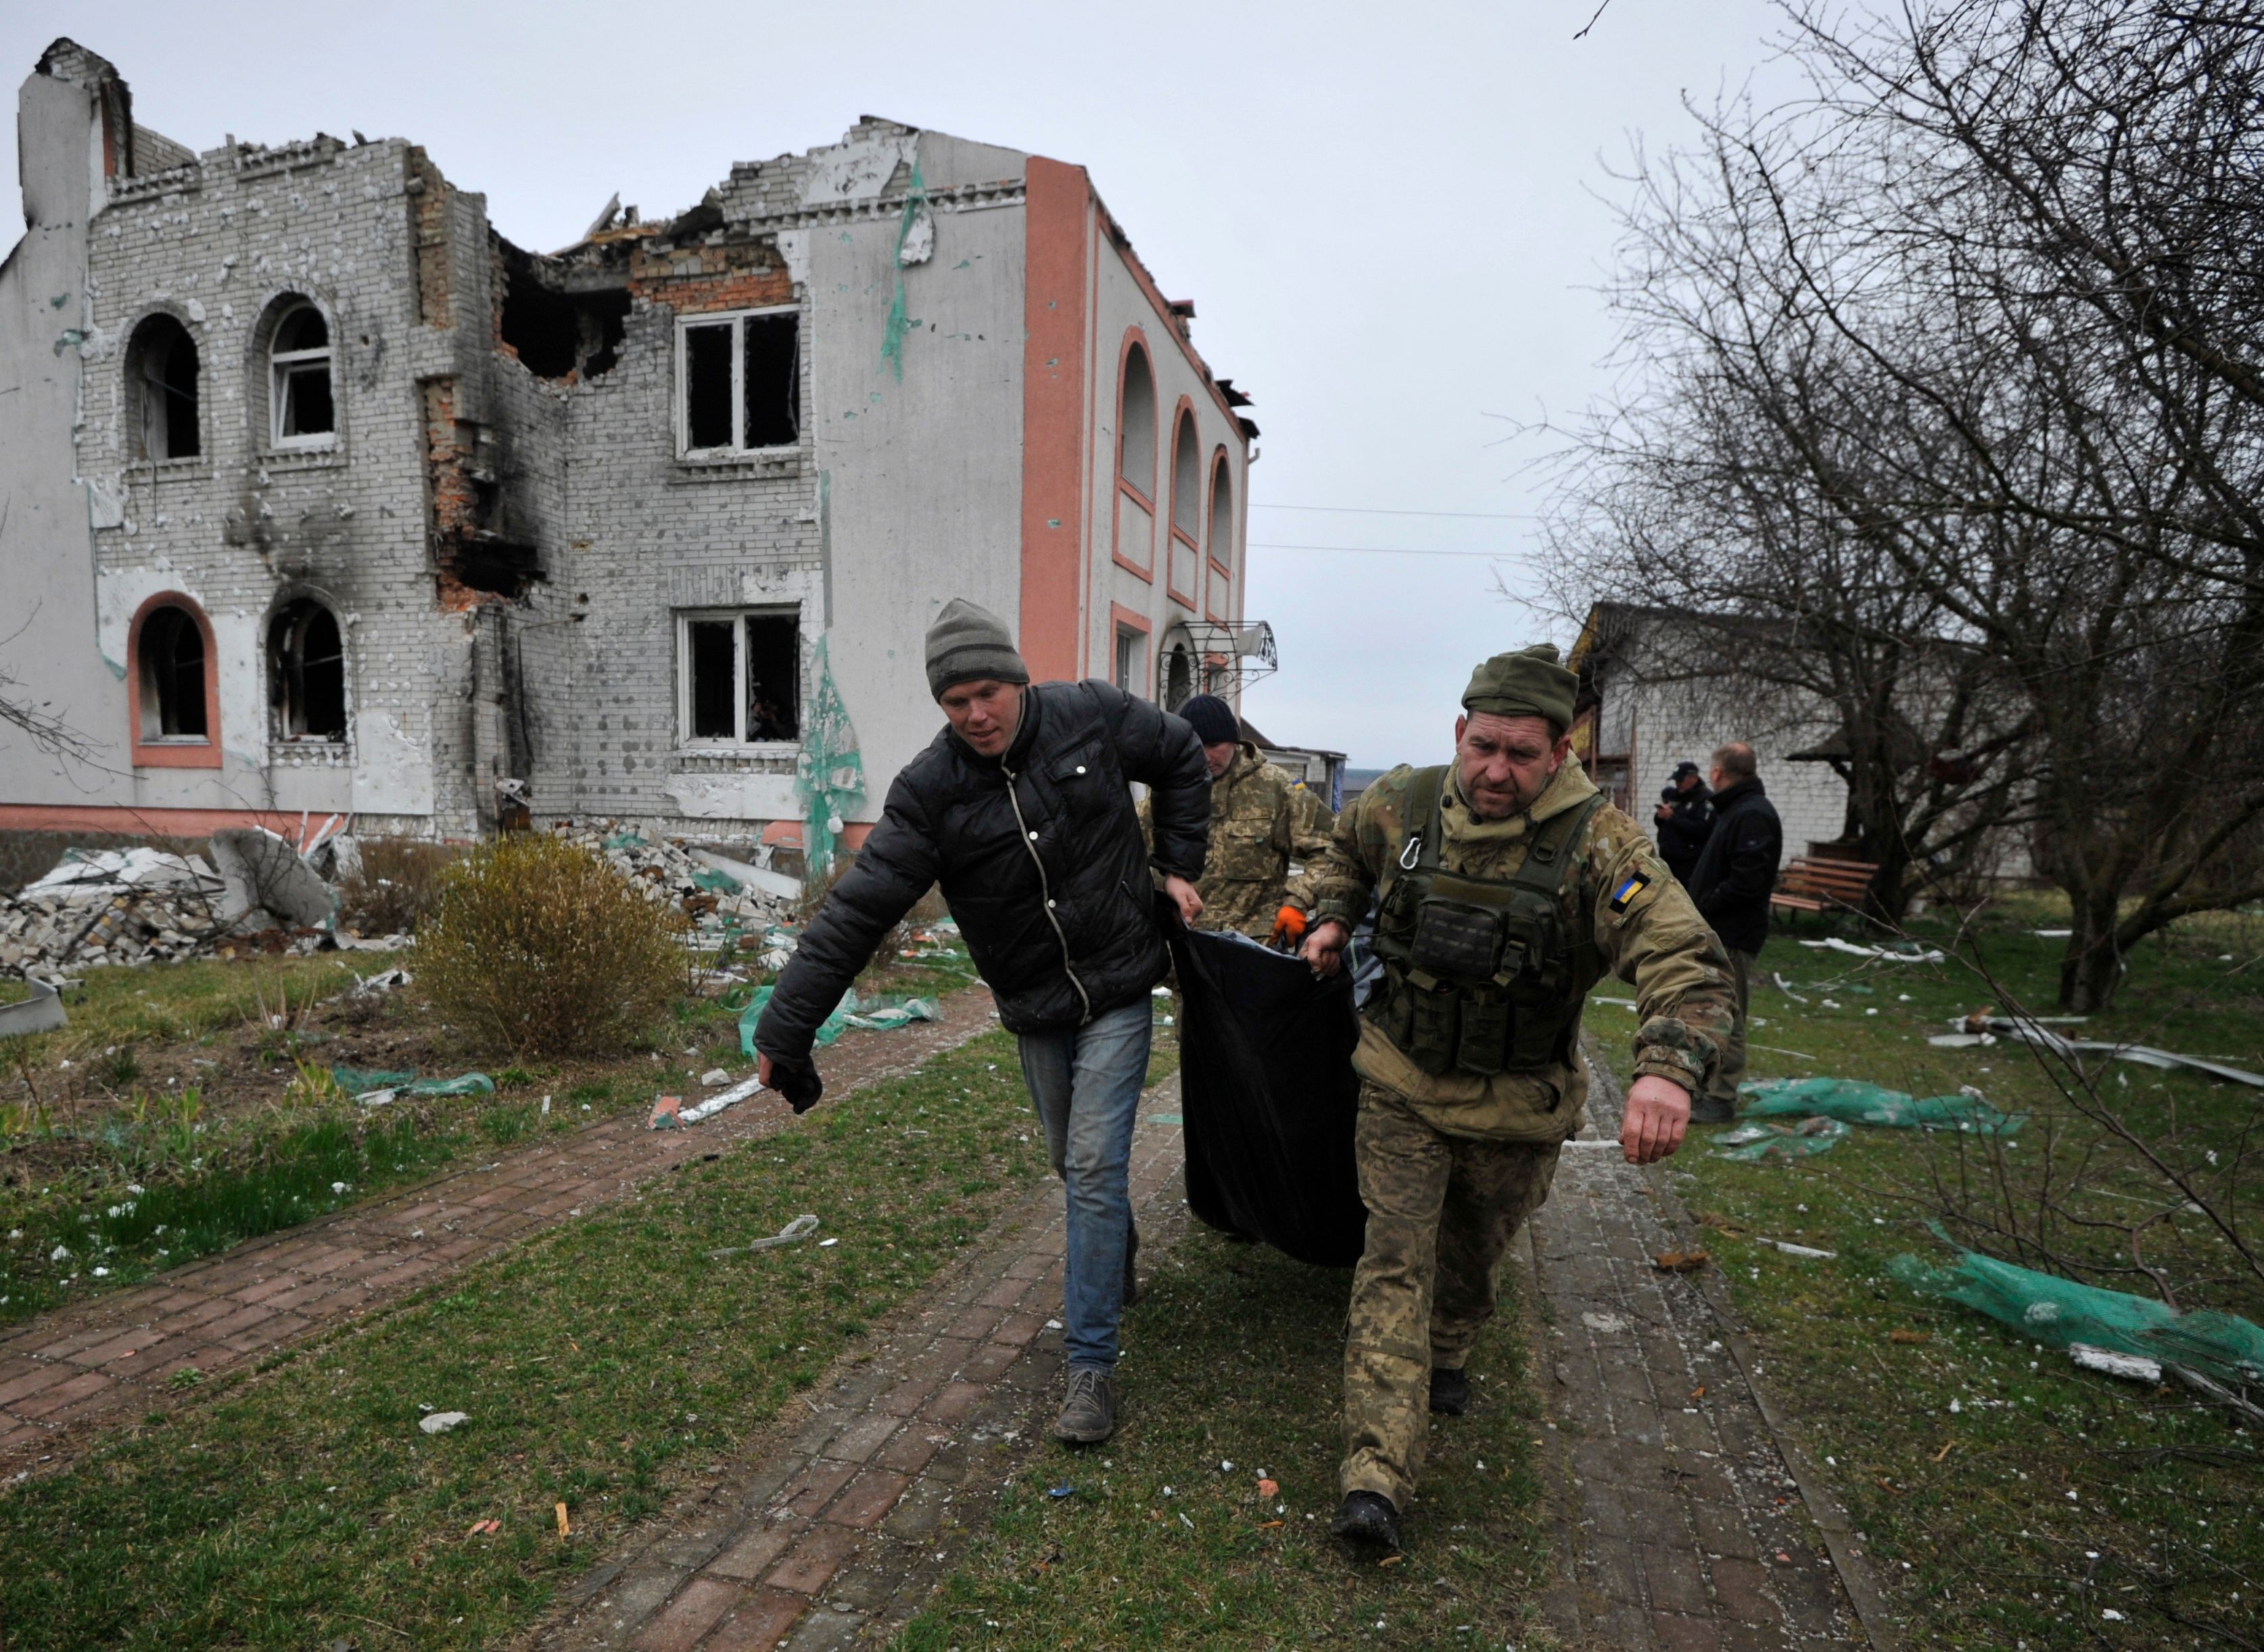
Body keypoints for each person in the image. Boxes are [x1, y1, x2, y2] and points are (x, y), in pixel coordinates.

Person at [1299, 644, 1737, 1553]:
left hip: (1517, 1107)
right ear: (1460, 732)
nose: (1498, 770)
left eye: (1522, 754)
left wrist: (1666, 1064)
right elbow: (1343, 850)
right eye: (1484, 746)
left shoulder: (1600, 846)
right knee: (1393, 1261)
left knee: (1471, 1254)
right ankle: (1375, 1472)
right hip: (1401, 1085)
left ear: (1559, 749)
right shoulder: (1400, 804)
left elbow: (1685, 956)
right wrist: (1335, 912)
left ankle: (1452, 1345)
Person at [753, 598, 1211, 1445]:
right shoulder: (930, 792)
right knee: (1075, 1166)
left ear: (1016, 677)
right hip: (1035, 1001)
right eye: (955, 702)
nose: (975, 714)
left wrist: (1178, 865)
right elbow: (857, 913)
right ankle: (1116, 1256)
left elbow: (1183, 754)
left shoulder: (1090, 716)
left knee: (1093, 1163)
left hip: (1116, 980)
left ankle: (1090, 1369)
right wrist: (786, 1029)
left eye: (987, 692)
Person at [1137, 693, 1335, 946]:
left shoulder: (1277, 788)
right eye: (1197, 746)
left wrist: (1297, 902)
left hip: (1253, 950)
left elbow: (1331, 850)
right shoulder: (1168, 791)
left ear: (1235, 741)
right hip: (1186, 950)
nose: (1206, 756)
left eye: (1214, 746)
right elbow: (1130, 852)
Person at [1682, 740, 1783, 1125]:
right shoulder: (1736, 811)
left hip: (1734, 934)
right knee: (1710, 1011)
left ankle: (1720, 1097)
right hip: (1719, 930)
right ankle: (1705, 1088)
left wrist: (1704, 906)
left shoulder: (1752, 814)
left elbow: (1746, 882)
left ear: (1719, 774)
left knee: (1729, 1015)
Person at [1653, 759, 1714, 887]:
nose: (1678, 784)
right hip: (1669, 861)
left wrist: (1672, 818)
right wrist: (1661, 816)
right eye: (1676, 781)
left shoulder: (1705, 799)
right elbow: (1663, 823)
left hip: (1689, 864)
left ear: (1694, 778)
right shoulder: (1677, 796)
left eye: (1681, 780)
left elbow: (1701, 829)